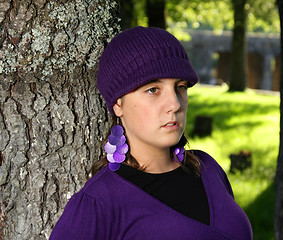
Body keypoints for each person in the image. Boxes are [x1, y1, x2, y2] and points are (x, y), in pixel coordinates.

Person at [50, 26, 252, 240]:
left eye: (181, 87)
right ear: (118, 104)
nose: (174, 104)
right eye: (153, 89)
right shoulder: (98, 204)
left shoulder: (209, 169)